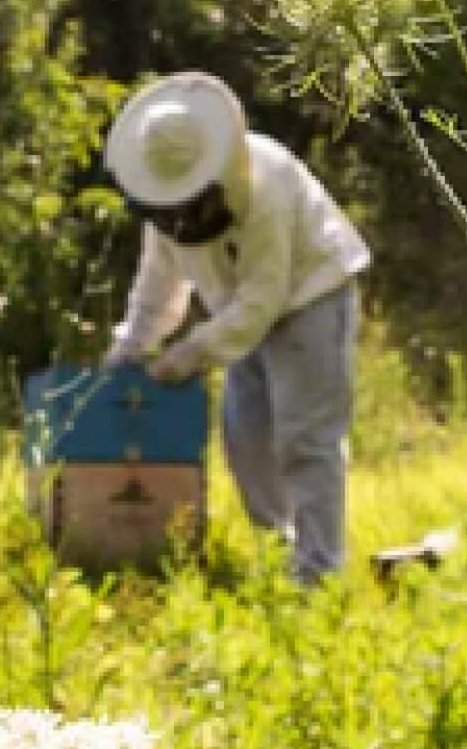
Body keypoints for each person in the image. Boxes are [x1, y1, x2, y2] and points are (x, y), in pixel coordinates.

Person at [102, 71, 369, 584]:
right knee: (246, 439)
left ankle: (320, 574)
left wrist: (193, 352)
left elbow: (264, 297)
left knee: (305, 439)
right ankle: (279, 549)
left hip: (310, 294)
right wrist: (131, 348)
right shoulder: (165, 202)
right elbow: (158, 286)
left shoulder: (264, 183)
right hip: (237, 314)